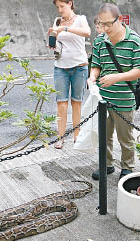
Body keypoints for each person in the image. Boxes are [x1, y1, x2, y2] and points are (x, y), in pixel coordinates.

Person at [88, 3, 140, 181]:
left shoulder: (134, 40)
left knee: (125, 138)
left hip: (124, 99)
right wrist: (92, 77)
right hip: (103, 98)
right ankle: (106, 164)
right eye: (101, 24)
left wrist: (116, 77)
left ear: (120, 20)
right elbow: (96, 64)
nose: (104, 28)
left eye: (108, 24)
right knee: (104, 136)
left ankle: (127, 167)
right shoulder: (100, 40)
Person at [49, 0, 91, 149]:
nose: (60, 10)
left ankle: (76, 136)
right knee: (61, 104)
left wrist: (65, 29)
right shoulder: (57, 21)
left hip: (79, 67)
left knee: (76, 103)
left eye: (62, 6)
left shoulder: (81, 19)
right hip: (60, 67)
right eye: (57, 7)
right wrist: (53, 42)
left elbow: (87, 33)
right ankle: (60, 138)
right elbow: (57, 40)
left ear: (70, 3)